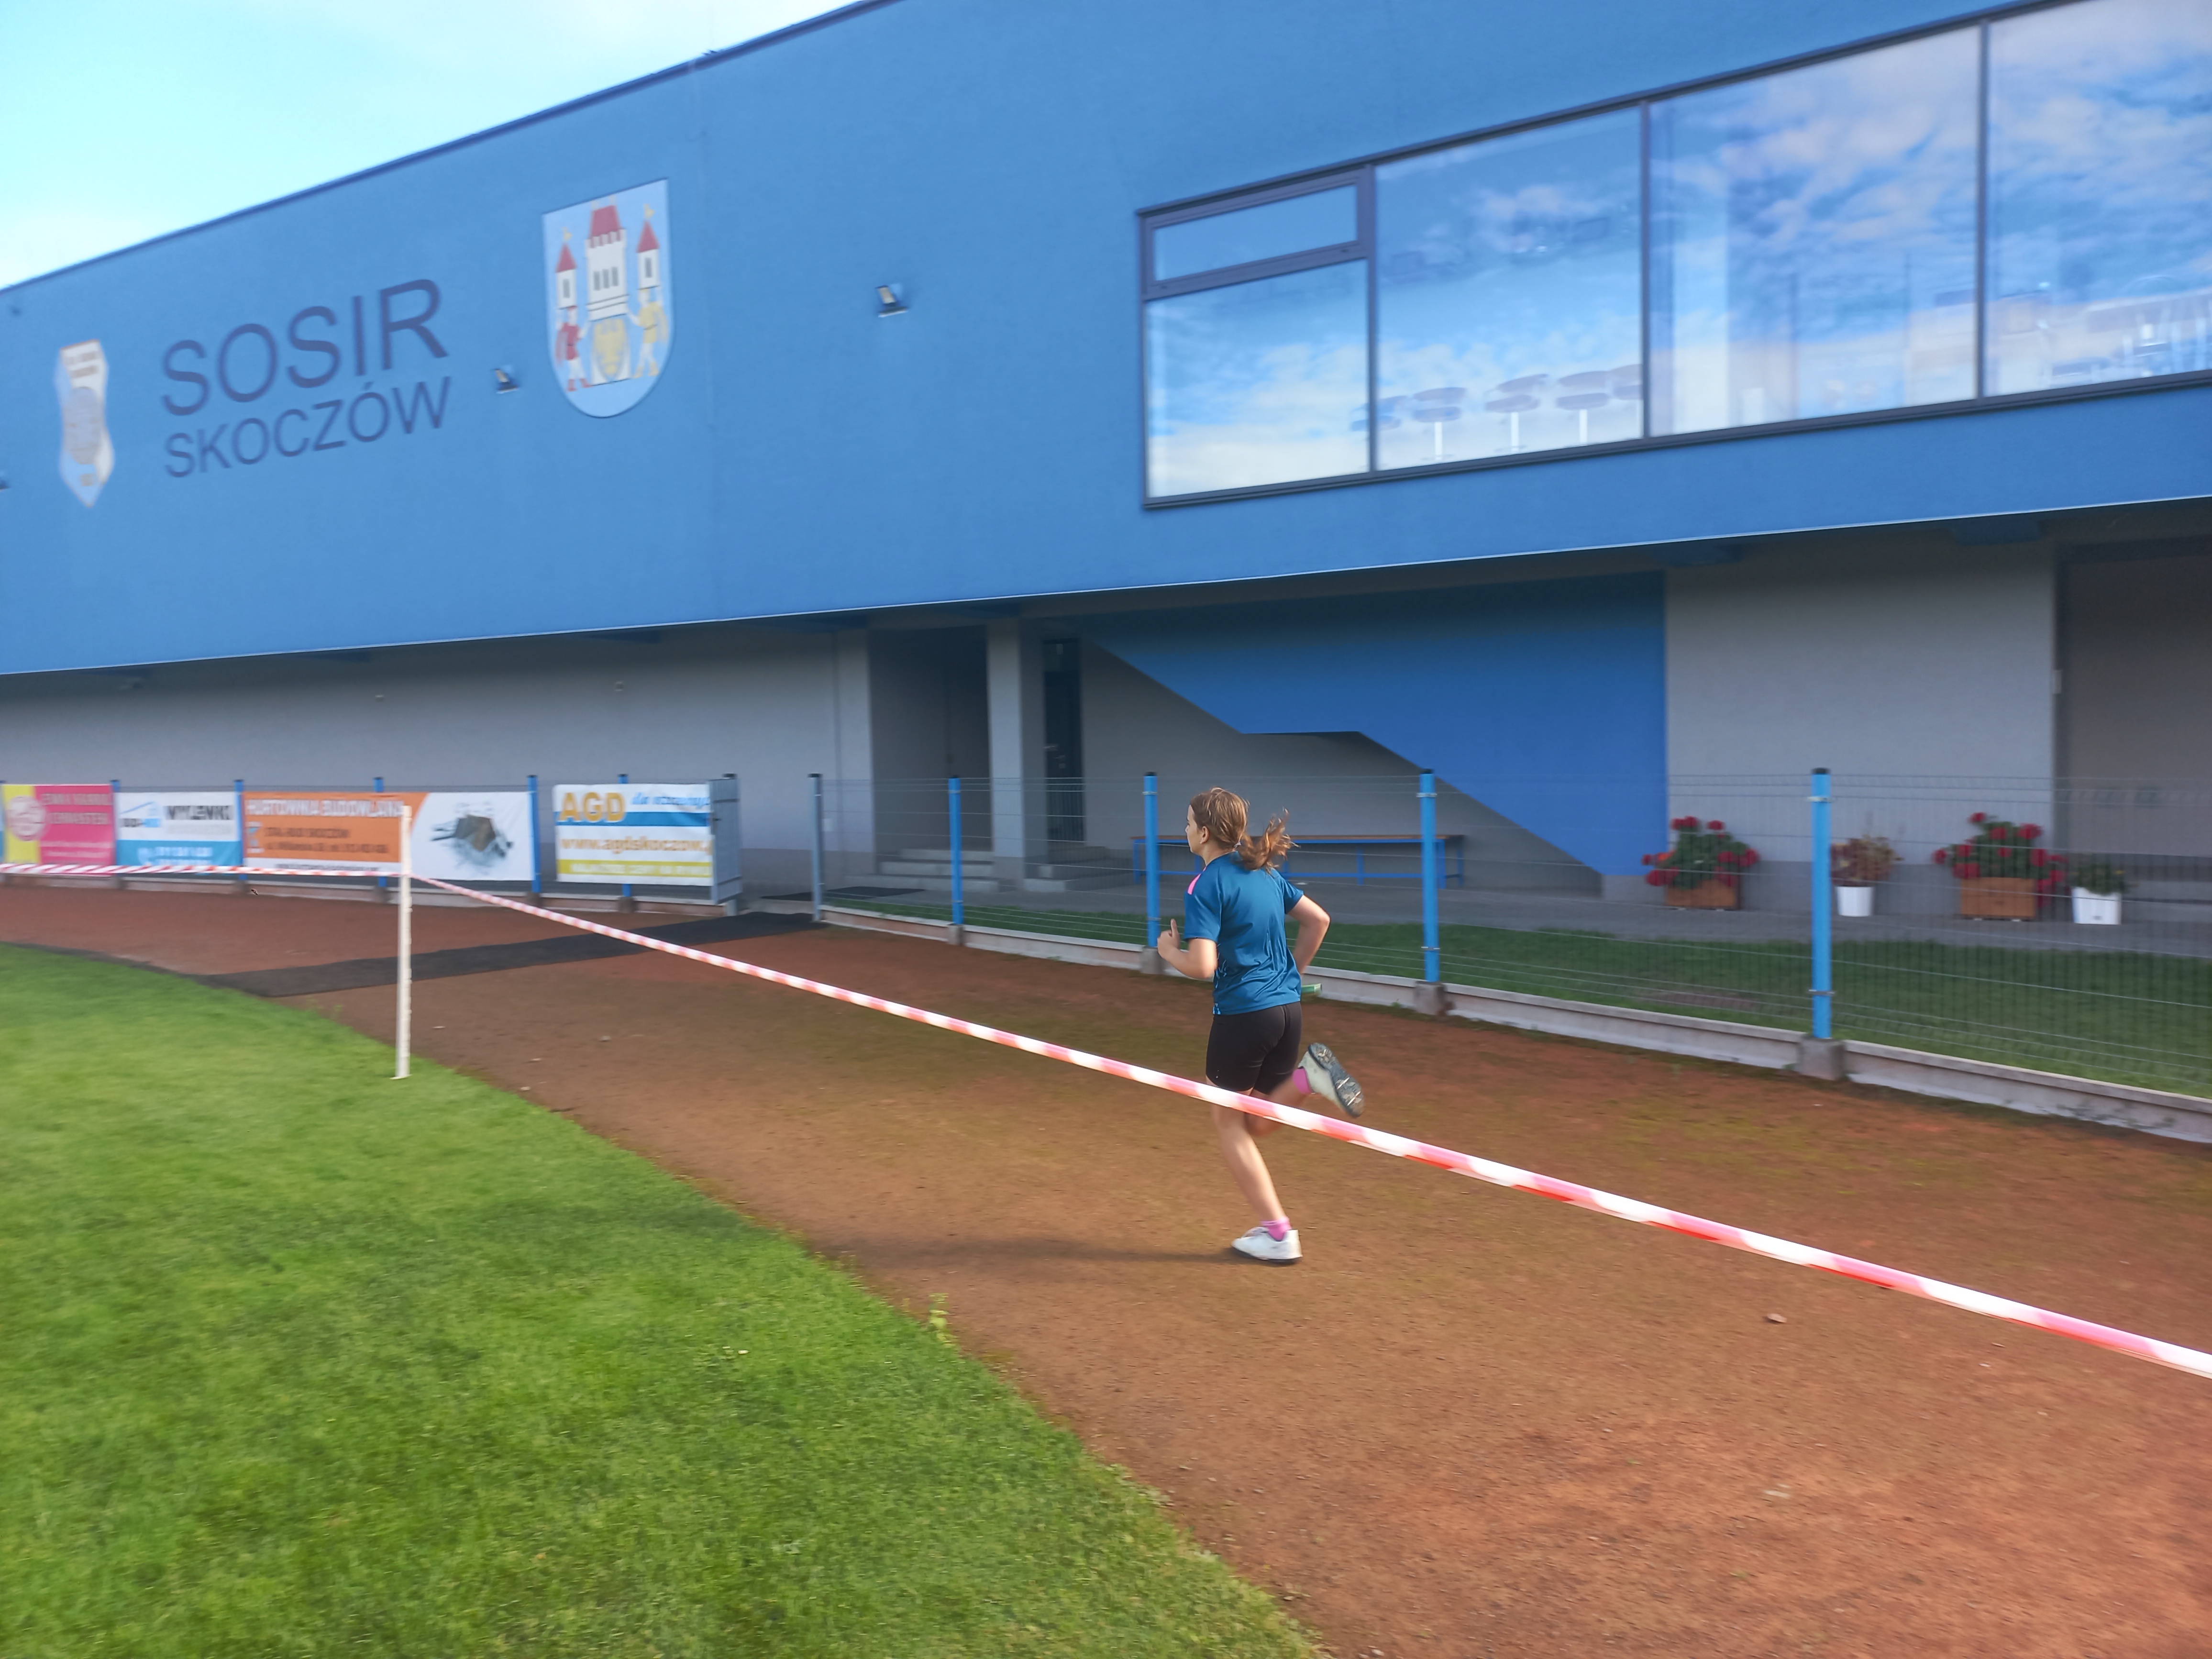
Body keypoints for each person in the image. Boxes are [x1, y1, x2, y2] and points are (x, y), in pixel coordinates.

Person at [1155, 787, 1365, 1265]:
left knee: (1228, 1121)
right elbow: (1319, 921)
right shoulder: (1264, 872)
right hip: (1287, 1011)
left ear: (1203, 833)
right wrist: (1292, 975)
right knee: (1258, 1121)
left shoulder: (1205, 885)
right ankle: (1309, 1078)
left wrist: (1168, 952)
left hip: (1244, 1016)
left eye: (1187, 823)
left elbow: (1203, 966)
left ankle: (1277, 1234)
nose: (1184, 830)